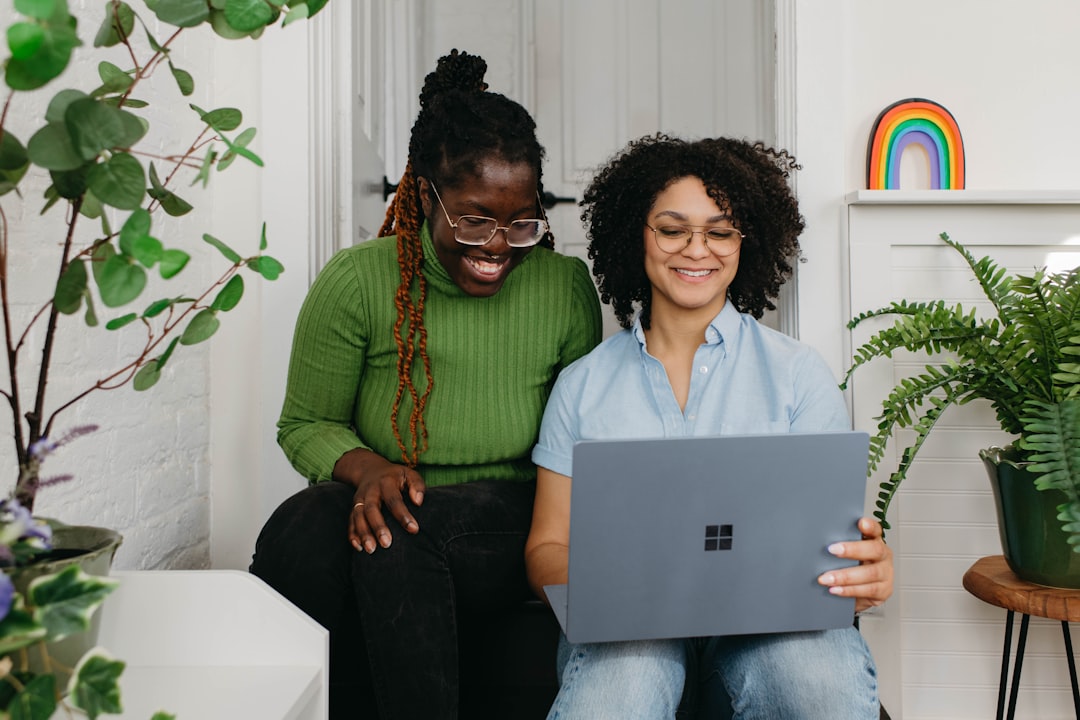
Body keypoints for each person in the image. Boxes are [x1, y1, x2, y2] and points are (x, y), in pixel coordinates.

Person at [249, 49, 602, 719]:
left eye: (521, 221)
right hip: (386, 491)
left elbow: (581, 436)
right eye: (474, 218)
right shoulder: (357, 280)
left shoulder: (563, 287)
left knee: (403, 526)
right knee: (303, 523)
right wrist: (370, 469)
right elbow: (304, 424)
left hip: (509, 512)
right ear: (422, 194)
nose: (498, 245)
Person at [524, 134, 894, 720]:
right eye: (673, 229)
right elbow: (546, 547)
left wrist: (866, 570)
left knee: (815, 681)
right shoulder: (582, 385)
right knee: (623, 685)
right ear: (636, 236)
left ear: (746, 242)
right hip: (627, 626)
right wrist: (611, 582)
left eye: (720, 231)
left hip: (767, 623)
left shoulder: (798, 376)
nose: (697, 250)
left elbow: (837, 542)